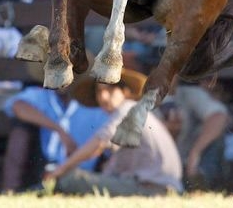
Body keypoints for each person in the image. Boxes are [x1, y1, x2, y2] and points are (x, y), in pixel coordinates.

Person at [45, 67, 184, 196]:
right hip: (158, 186)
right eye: (99, 91)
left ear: (125, 92)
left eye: (110, 90)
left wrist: (62, 169)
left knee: (70, 179)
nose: (103, 97)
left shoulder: (128, 109)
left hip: (153, 188)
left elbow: (99, 143)